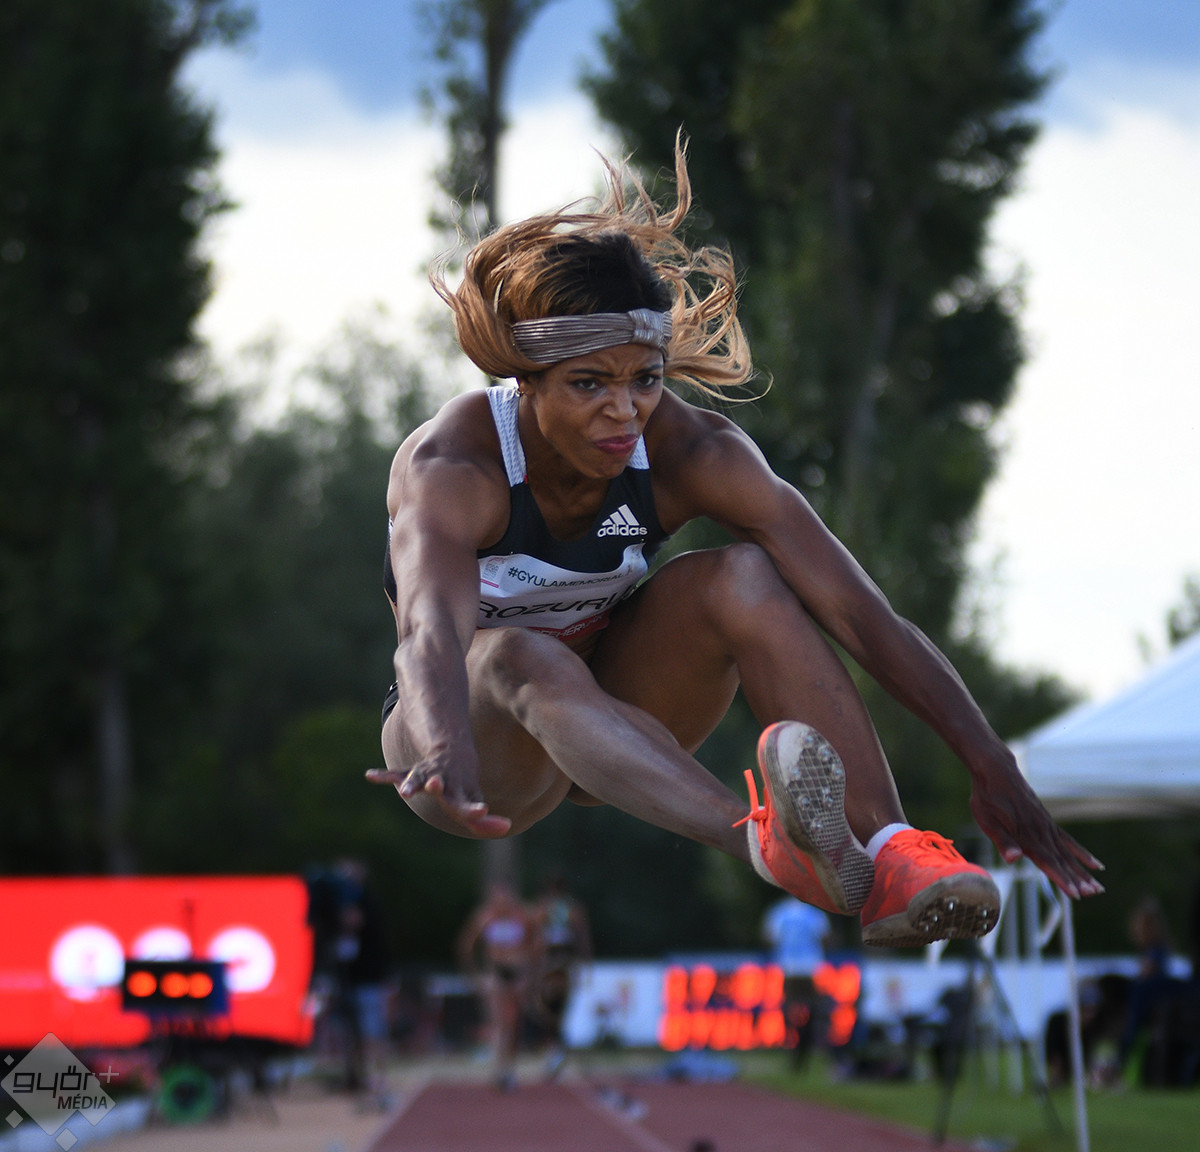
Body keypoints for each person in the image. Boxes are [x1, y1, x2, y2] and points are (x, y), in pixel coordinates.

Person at [368, 136, 1103, 953]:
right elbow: (428, 631)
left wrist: (990, 760)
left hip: (618, 720)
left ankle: (890, 853)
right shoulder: (456, 466)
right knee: (517, 654)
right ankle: (760, 840)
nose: (624, 412)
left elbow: (864, 617)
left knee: (747, 575)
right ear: (525, 380)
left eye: (645, 379)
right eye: (589, 384)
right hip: (468, 748)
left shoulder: (694, 452)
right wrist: (443, 741)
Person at [456, 881, 538, 1091]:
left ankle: (510, 1068)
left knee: (514, 1023)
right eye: (498, 898)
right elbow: (466, 946)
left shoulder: (523, 916)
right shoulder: (485, 917)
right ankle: (499, 1070)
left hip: (518, 973)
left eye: (506, 897)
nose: (503, 903)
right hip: (496, 973)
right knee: (499, 1022)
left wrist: (529, 973)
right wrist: (475, 977)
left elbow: (536, 944)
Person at [529, 873, 593, 1077]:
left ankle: (556, 1048)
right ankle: (554, 1048)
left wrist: (584, 961)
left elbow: (581, 935)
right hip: (550, 960)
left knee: (558, 1005)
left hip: (561, 960)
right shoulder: (545, 908)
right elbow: (535, 935)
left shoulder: (569, 909)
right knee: (545, 1006)